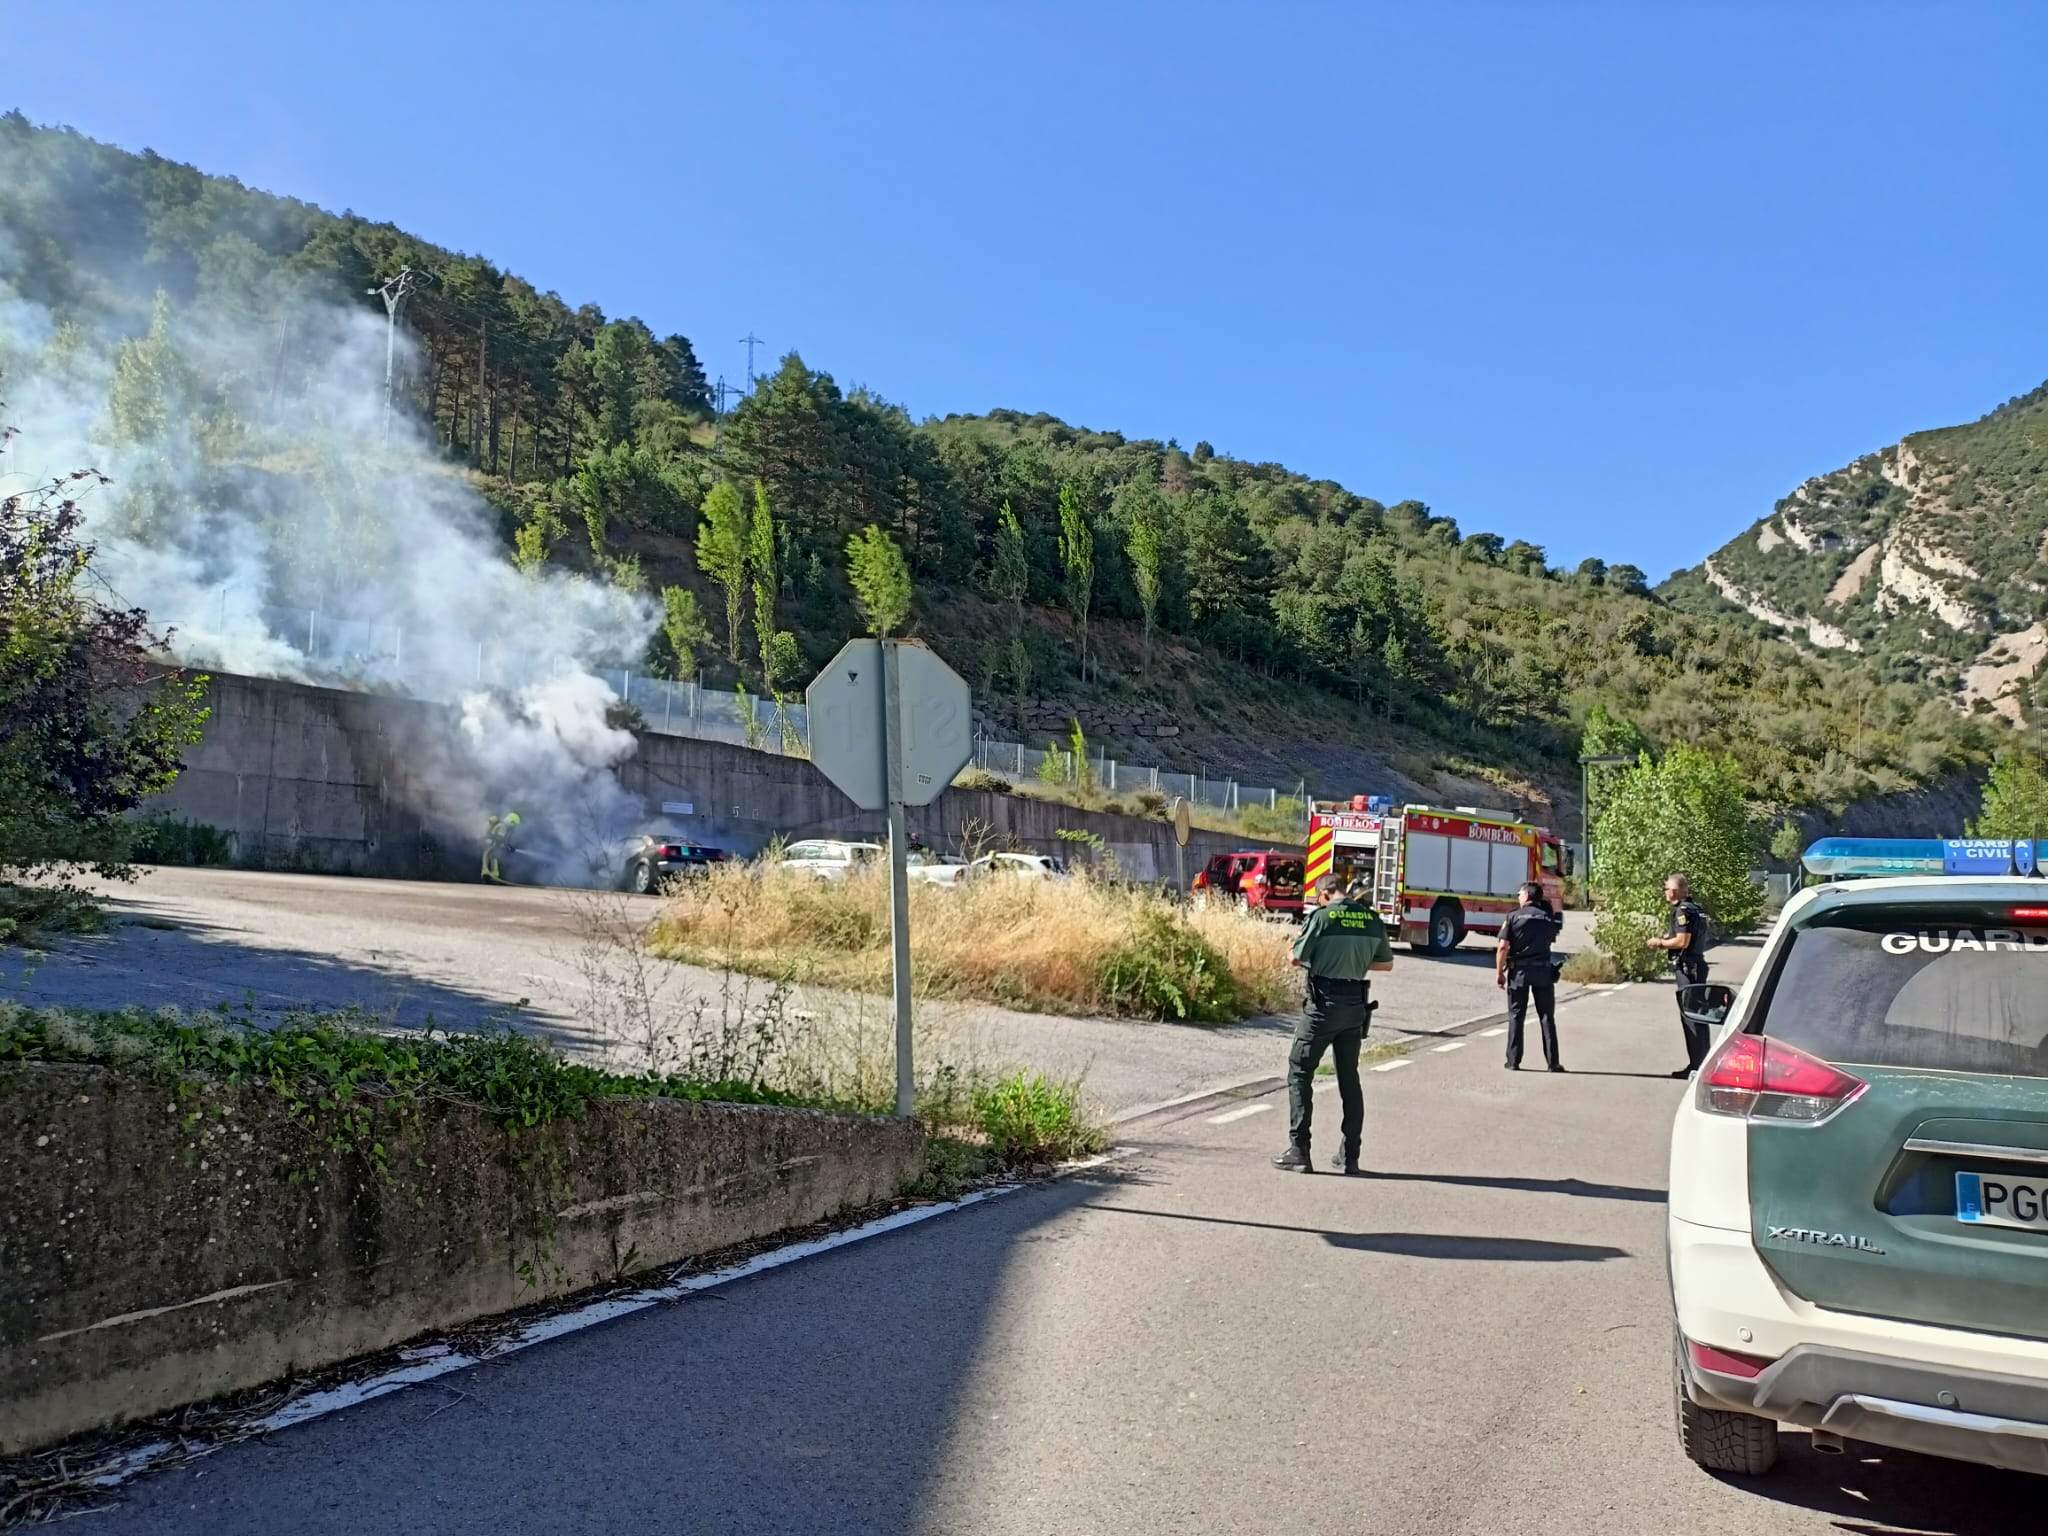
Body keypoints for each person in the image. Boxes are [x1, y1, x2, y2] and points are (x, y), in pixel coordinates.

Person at [1275, 876, 1394, 1176]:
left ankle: (1299, 1150)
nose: (1318, 902)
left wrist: (1290, 951)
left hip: (1323, 1005)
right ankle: (1350, 1155)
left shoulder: (1322, 917)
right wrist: (1354, 959)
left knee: (1300, 1070)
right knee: (1349, 1078)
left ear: (1327, 894)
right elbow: (1386, 964)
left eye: (1319, 898)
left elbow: (1297, 959)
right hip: (1355, 1005)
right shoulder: (1371, 918)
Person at [1645, 872, 1711, 1077]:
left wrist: (1660, 943)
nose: (1665, 892)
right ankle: (1701, 1063)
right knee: (1699, 1017)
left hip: (1688, 968)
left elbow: (1683, 941)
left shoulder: (1682, 910)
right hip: (1697, 964)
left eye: (1666, 889)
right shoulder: (1696, 909)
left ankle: (1695, 1066)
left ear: (1673, 891)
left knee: (1690, 1017)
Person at [1496, 881, 1564, 1072]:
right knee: (1546, 1016)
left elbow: (1503, 947)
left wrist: (1499, 972)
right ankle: (1553, 1063)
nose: (1518, 897)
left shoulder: (1513, 917)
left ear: (1526, 895)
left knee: (1517, 1016)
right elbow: (1551, 939)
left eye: (1519, 894)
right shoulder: (1548, 918)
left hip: (1519, 973)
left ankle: (1513, 1061)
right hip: (1543, 972)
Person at [481, 810, 520, 882]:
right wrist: (508, 846)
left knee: (491, 857)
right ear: (511, 821)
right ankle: (491, 875)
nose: (513, 827)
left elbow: (500, 839)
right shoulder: (503, 826)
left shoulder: (501, 824)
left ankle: (489, 874)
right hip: (492, 844)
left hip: (490, 843)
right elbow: (500, 839)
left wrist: (508, 846)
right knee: (491, 857)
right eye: (514, 824)